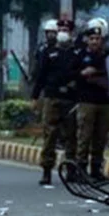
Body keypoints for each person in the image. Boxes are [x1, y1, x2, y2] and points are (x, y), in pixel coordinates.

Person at [32, 19, 80, 186]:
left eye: (67, 29)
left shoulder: (77, 53)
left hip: (71, 99)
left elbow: (80, 75)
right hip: (52, 97)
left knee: (71, 135)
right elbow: (40, 76)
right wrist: (35, 97)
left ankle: (71, 170)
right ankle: (46, 171)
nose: (63, 31)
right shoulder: (48, 52)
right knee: (50, 134)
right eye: (61, 28)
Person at [75, 23, 109, 180]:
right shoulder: (80, 56)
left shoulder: (107, 56)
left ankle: (96, 169)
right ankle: (81, 169)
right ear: (87, 40)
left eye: (98, 38)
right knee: (84, 136)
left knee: (101, 137)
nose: (95, 42)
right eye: (92, 38)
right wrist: (83, 74)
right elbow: (71, 74)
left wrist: (95, 72)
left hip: (104, 101)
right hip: (86, 101)